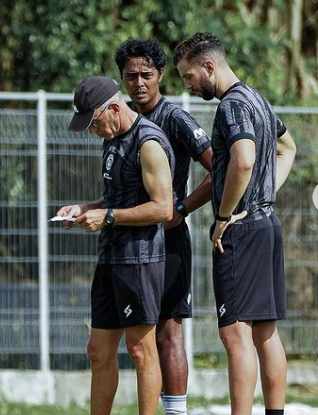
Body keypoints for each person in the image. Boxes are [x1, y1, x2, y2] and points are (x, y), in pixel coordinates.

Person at [173, 33, 296, 415]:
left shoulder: (232, 105)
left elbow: (243, 160)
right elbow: (287, 147)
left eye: (188, 76)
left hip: (240, 230)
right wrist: (266, 192)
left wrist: (224, 216)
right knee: (265, 330)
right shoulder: (257, 98)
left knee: (235, 332)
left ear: (209, 67)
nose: (189, 86)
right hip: (267, 223)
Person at [56, 76, 175, 415]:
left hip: (140, 260)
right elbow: (113, 200)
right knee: (97, 350)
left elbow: (163, 207)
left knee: (140, 351)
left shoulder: (148, 143)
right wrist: (84, 209)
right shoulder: (112, 139)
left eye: (93, 123)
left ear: (113, 108)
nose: (93, 131)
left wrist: (107, 217)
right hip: (110, 257)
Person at [115, 38, 213, 415]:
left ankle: (175, 412)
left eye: (146, 75)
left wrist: (183, 208)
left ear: (159, 76)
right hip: (131, 243)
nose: (139, 83)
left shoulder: (174, 118)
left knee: (168, 330)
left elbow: (218, 166)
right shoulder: (123, 119)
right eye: (130, 76)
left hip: (168, 240)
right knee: (140, 334)